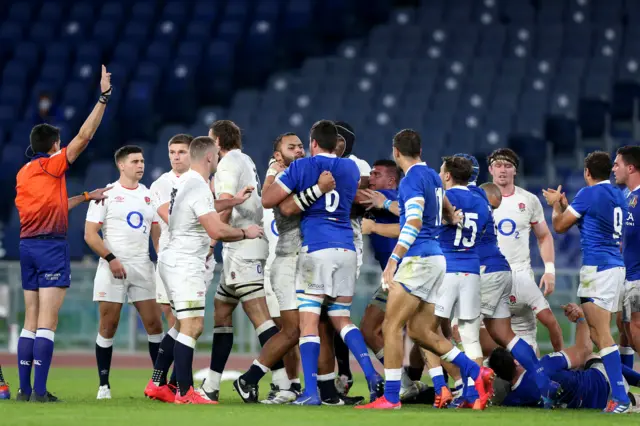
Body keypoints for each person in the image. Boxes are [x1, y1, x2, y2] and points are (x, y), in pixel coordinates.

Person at [356, 129, 493, 410]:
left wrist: (393, 260)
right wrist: (449, 215)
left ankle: (391, 397)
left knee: (390, 326)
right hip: (437, 260)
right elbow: (444, 203)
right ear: (419, 150)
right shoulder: (432, 175)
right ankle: (476, 371)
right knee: (421, 332)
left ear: (396, 152)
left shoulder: (411, 181)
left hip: (418, 260)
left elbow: (414, 222)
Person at [262, 120, 383, 405]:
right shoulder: (351, 168)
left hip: (316, 249)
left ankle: (312, 393)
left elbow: (269, 200)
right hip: (347, 250)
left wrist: (312, 189)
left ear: (313, 143)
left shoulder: (302, 167)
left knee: (309, 324)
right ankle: (372, 375)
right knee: (342, 318)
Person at [14, 66, 112, 402]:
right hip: (51, 247)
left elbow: (52, 205)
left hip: (27, 246)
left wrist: (86, 196)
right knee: (48, 319)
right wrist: (102, 98)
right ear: (55, 146)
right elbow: (84, 138)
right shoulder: (53, 164)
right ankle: (40, 391)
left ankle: (25, 390)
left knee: (30, 317)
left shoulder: (24, 173)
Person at [156, 136, 263, 404]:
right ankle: (184, 392)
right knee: (192, 325)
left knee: (186, 324)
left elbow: (205, 208)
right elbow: (215, 229)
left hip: (174, 260)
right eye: (216, 155)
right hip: (185, 262)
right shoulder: (199, 185)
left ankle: (172, 387)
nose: (218, 159)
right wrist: (245, 232)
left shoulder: (189, 183)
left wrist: (233, 201)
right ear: (208, 157)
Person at [235, 132, 336, 404]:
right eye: (291, 147)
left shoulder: (295, 174)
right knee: (294, 331)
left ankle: (321, 390)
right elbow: (282, 205)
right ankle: (256, 380)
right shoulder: (280, 180)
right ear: (277, 156)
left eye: (301, 145)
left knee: (316, 327)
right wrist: (318, 188)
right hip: (288, 260)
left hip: (303, 259)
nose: (300, 150)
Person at [195, 120, 280, 403]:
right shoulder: (245, 159)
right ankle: (211, 385)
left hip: (243, 247)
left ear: (217, 142)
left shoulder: (228, 164)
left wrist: (212, 241)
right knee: (222, 310)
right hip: (240, 249)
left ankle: (282, 384)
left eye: (210, 140)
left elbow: (227, 203)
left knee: (260, 318)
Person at [543, 151, 630, 413]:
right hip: (616, 267)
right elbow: (592, 222)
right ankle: (621, 394)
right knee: (598, 332)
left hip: (597, 269)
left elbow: (559, 226)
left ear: (587, 173)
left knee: (602, 334)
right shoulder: (619, 195)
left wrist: (555, 204)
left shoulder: (588, 194)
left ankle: (621, 398)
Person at [84, 145, 164, 400]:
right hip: (112, 266)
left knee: (154, 324)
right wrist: (111, 258)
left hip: (142, 266)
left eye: (142, 161)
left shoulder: (149, 195)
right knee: (109, 326)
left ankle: (158, 383)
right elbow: (89, 234)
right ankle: (103, 385)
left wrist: (162, 260)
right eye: (135, 161)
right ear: (121, 165)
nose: (140, 165)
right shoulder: (106, 194)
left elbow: (157, 235)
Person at [489, 303, 640, 410]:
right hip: (602, 384)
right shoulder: (545, 365)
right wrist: (581, 319)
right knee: (592, 357)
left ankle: (631, 398)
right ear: (516, 361)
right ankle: (634, 383)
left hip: (594, 404)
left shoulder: (514, 399)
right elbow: (584, 349)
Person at [488, 148, 563, 354]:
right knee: (486, 350)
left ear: (515, 171)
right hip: (486, 278)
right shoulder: (478, 199)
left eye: (507, 166)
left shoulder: (529, 200)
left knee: (528, 349)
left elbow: (544, 236)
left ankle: (551, 374)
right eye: (498, 165)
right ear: (490, 169)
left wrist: (550, 270)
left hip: (520, 276)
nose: (502, 170)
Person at [613, 145, 640, 363]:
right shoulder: (625, 196)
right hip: (627, 273)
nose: (613, 169)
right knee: (623, 327)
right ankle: (627, 387)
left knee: (635, 326)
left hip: (638, 276)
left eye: (617, 164)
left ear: (630, 168)